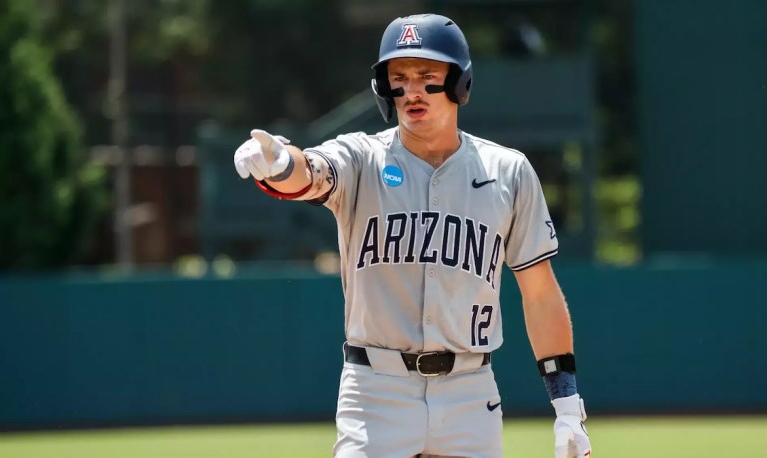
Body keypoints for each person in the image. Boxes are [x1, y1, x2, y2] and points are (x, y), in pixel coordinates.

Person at [233, 13, 592, 458]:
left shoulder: (508, 172)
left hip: (469, 393)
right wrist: (279, 163)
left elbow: (539, 293)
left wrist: (567, 407)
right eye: (399, 78)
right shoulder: (361, 158)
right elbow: (310, 172)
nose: (412, 91)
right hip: (375, 391)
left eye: (427, 76)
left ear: (459, 82)